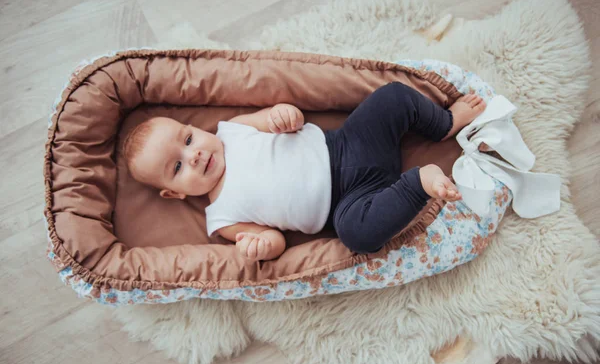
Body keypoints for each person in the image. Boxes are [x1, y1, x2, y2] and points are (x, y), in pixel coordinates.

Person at [122, 82, 486, 261]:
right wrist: (262, 247)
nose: (196, 155)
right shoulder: (221, 218)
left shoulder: (231, 130)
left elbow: (282, 118)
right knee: (357, 237)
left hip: (348, 143)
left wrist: (284, 114)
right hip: (346, 202)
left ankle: (444, 123)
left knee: (391, 97)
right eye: (178, 166)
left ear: (194, 128)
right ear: (174, 193)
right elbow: (276, 241)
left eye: (187, 139)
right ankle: (417, 183)